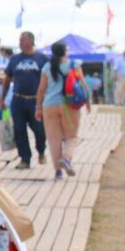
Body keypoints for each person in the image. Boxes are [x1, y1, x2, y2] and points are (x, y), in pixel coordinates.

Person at [35, 41, 91, 180]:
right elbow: (83, 85)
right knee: (71, 136)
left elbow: (41, 90)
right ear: (65, 51)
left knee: (54, 139)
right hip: (69, 106)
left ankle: (57, 171)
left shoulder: (47, 67)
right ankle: (66, 159)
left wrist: (38, 108)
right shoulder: (74, 65)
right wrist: (88, 103)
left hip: (49, 106)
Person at [0, 31, 47, 169]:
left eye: (23, 40)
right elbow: (7, 79)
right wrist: (2, 99)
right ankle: (25, 159)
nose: (20, 42)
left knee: (39, 129)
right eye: (19, 40)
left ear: (31, 42)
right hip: (18, 100)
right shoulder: (15, 59)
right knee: (19, 130)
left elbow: (48, 80)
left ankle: (41, 150)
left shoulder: (41, 59)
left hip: (35, 100)